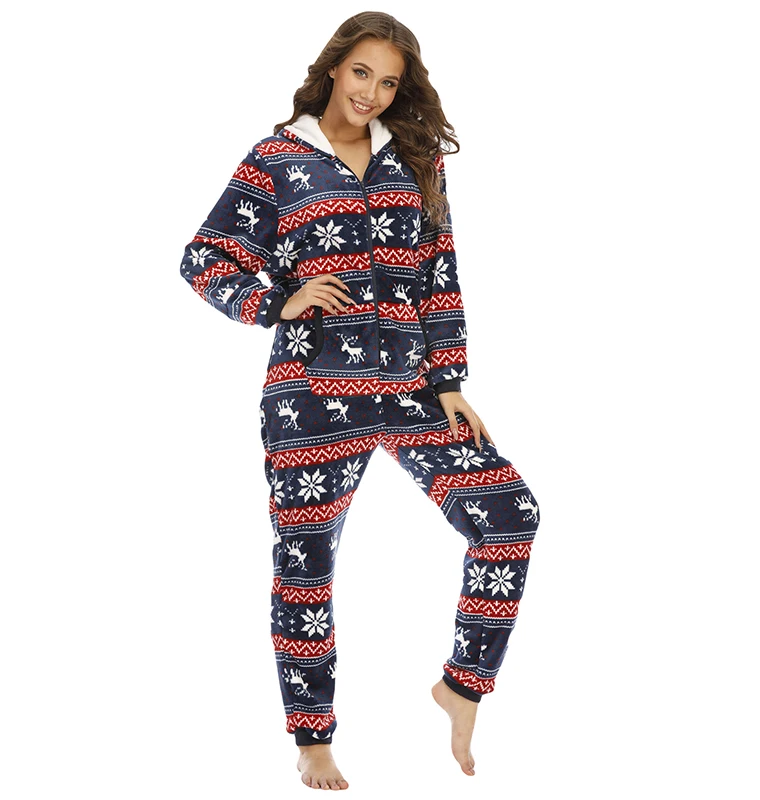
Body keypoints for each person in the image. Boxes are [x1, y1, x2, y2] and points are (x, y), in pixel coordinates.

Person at [179, 11, 541, 791]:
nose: (372, 92)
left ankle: (463, 685)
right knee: (306, 563)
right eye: (361, 73)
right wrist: (275, 300)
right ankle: (312, 738)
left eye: (389, 82)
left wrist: (449, 381)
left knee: (510, 515)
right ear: (334, 69)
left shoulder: (413, 161)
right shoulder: (277, 160)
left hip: (411, 386)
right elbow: (204, 258)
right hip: (311, 393)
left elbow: (439, 272)